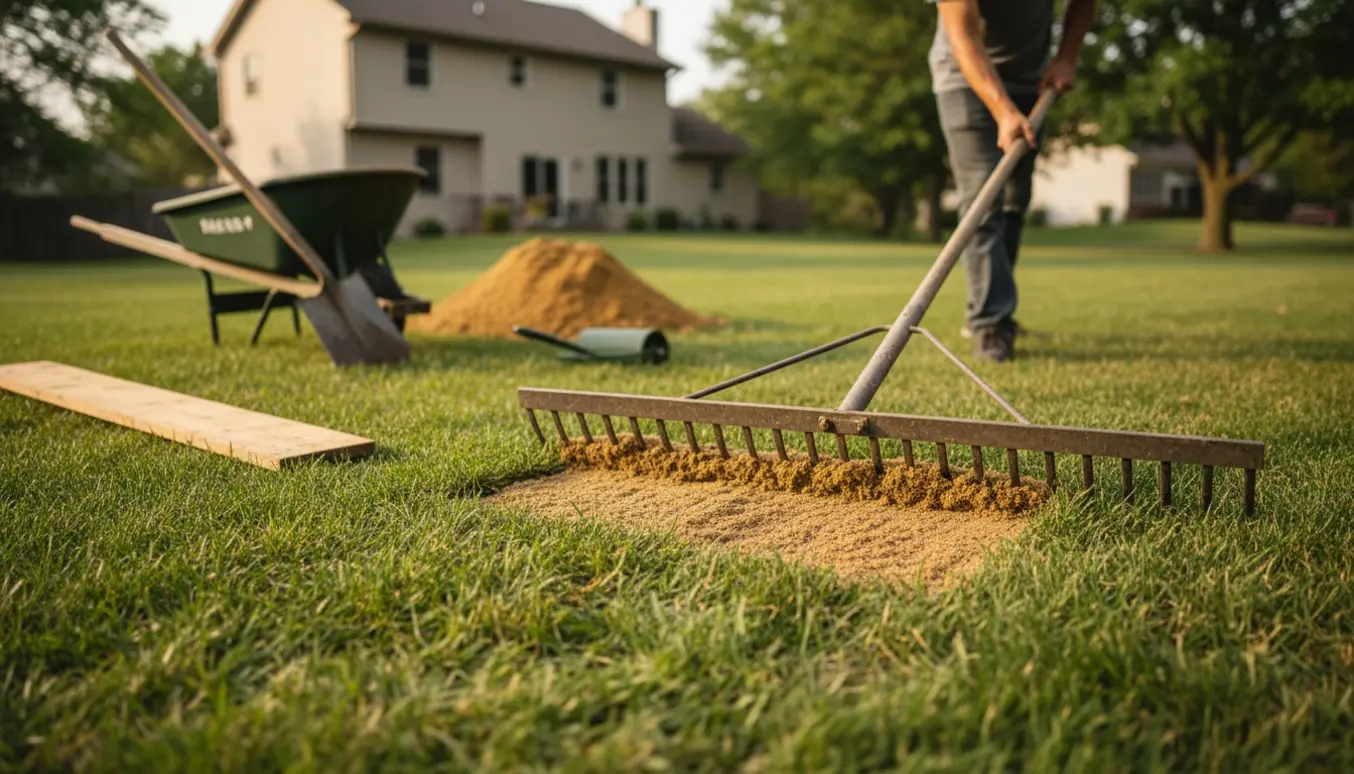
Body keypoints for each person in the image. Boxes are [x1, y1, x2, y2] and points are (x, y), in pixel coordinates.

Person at [929, 0, 1097, 362]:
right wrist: (1003, 112)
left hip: (1031, 78)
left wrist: (1067, 57)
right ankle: (991, 323)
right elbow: (962, 34)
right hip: (962, 75)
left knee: (1014, 200)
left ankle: (990, 308)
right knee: (983, 199)